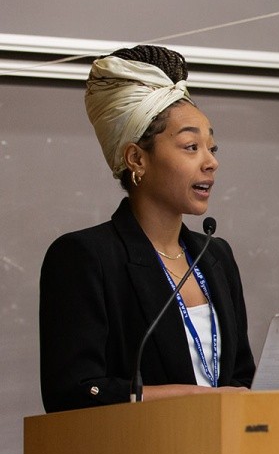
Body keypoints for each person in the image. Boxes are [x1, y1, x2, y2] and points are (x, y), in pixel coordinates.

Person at [39, 45, 255, 413]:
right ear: (137, 158)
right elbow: (73, 392)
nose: (211, 162)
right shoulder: (85, 256)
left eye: (212, 147)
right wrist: (202, 398)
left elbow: (241, 379)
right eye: (191, 147)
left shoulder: (215, 256)